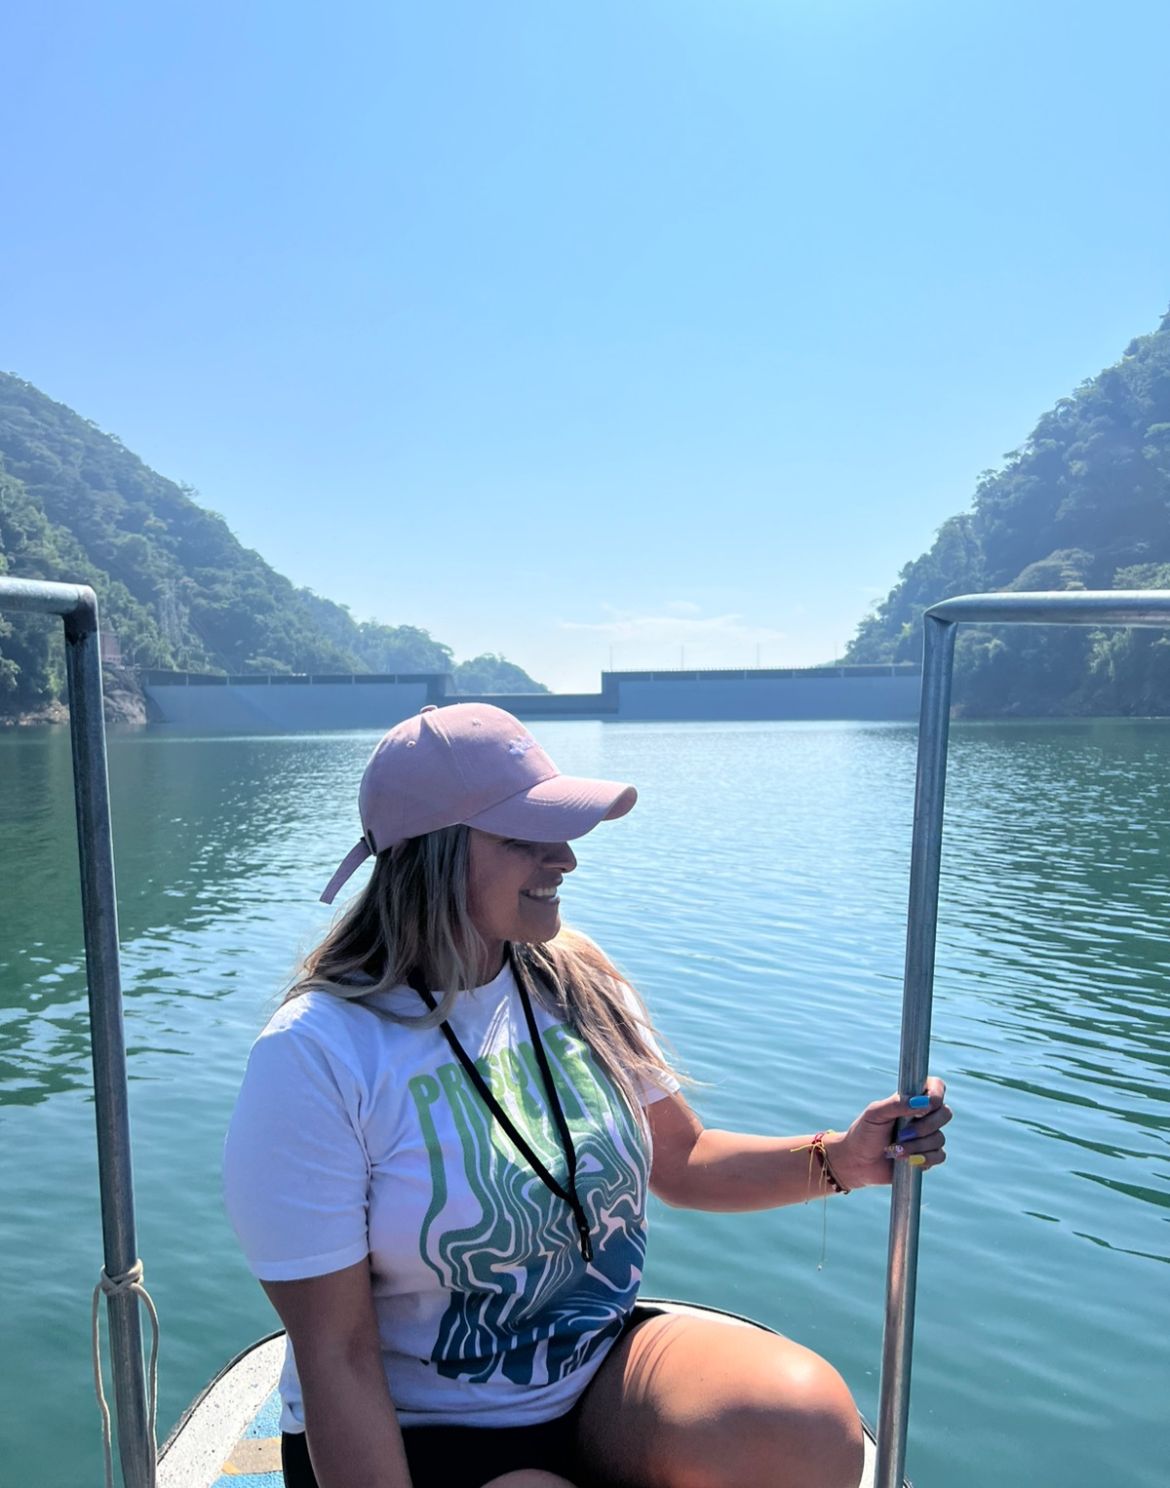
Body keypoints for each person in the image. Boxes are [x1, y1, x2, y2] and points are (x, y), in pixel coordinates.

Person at [223, 703, 950, 1488]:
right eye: (524, 839)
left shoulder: (575, 976)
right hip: (419, 1429)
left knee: (803, 1423)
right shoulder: (316, 1055)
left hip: (596, 1376)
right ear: (430, 855)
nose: (565, 858)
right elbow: (339, 1358)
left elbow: (683, 1159)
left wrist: (842, 1160)